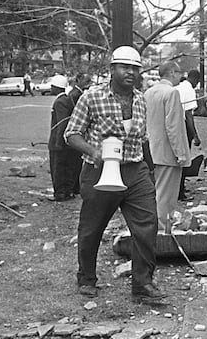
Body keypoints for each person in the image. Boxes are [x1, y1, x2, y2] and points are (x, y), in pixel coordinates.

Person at [64, 45, 166, 304]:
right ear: (112, 70)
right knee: (92, 228)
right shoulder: (92, 97)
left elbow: (143, 140)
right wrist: (94, 151)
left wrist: (150, 171)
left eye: (135, 68)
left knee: (147, 225)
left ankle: (142, 284)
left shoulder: (141, 99)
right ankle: (86, 278)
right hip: (100, 172)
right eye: (125, 67)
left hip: (135, 170)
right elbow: (71, 134)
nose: (131, 73)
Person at [144, 62, 191, 233]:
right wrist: (180, 154)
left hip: (151, 151)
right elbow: (174, 127)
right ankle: (162, 230)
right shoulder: (172, 93)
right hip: (168, 153)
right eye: (179, 72)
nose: (181, 76)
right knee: (166, 197)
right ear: (171, 73)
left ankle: (153, 226)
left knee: (154, 193)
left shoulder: (148, 93)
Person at [48, 73, 92, 202]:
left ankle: (61, 193)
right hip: (69, 140)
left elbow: (62, 123)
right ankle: (70, 190)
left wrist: (58, 142)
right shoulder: (69, 97)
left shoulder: (62, 101)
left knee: (59, 168)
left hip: (60, 142)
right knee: (70, 166)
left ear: (56, 87)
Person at [175, 69, 201, 200]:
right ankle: (180, 192)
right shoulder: (189, 90)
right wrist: (195, 135)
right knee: (184, 159)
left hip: (175, 126)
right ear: (195, 80)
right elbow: (188, 115)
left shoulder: (177, 87)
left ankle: (178, 188)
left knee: (177, 158)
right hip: (184, 126)